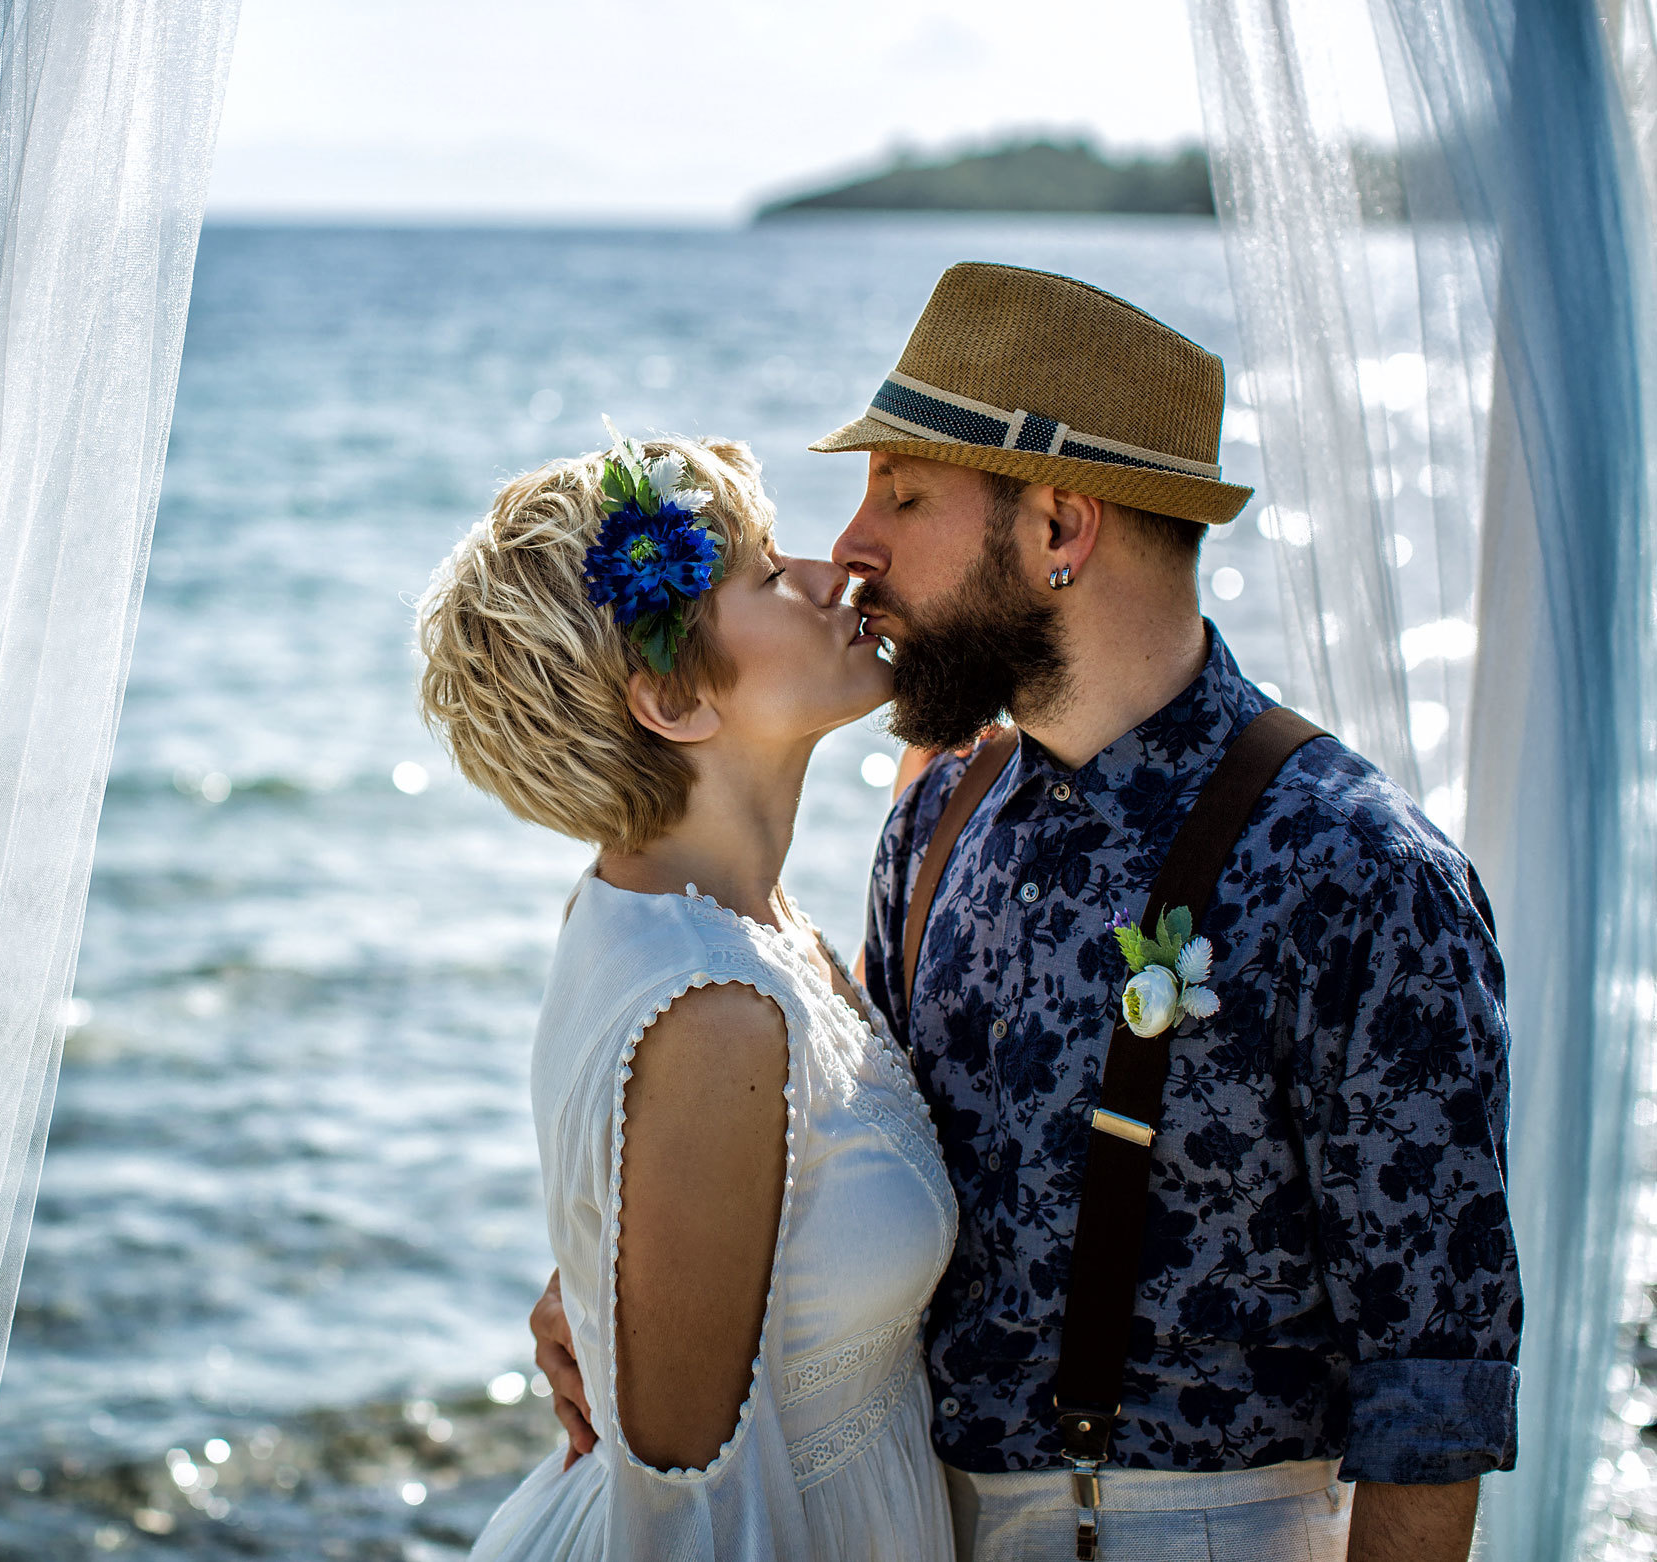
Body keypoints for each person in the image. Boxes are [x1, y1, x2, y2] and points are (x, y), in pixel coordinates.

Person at [530, 264, 1521, 1561]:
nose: (850, 550)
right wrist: (618, 1287)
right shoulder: (936, 810)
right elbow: (843, 1152)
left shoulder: (1354, 869)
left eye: (901, 493)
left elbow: (1432, 1382)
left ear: (1058, 524)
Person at [417, 431, 957, 1559]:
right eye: (766, 576)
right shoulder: (717, 1008)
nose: (830, 574)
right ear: (671, 697)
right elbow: (692, 1520)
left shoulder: (696, 915)